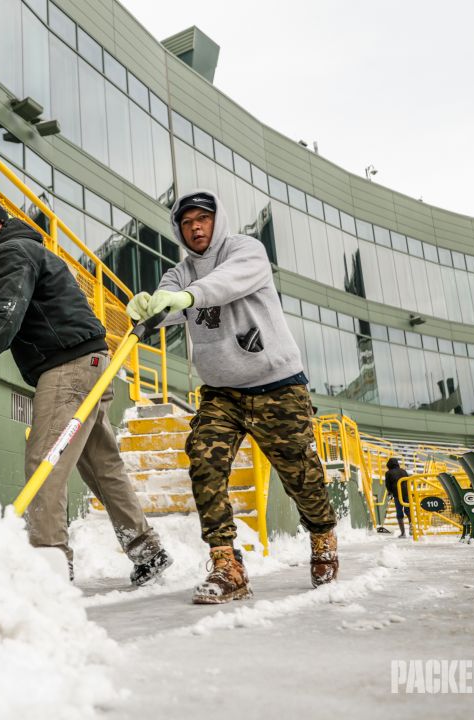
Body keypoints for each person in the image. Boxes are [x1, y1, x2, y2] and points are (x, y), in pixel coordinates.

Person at [0, 192, 172, 585]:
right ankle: (147, 550)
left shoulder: (11, 253)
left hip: (67, 369)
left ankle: (47, 561)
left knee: (44, 461)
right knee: (103, 467)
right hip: (94, 365)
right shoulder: (28, 250)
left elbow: (3, 314)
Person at [126, 188, 339, 604]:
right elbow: (166, 305)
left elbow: (221, 286)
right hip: (222, 393)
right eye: (186, 222)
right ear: (179, 229)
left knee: (301, 475)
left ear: (216, 219)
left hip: (278, 383)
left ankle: (323, 536)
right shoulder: (178, 274)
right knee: (204, 460)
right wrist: (146, 306)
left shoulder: (247, 251)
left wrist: (187, 298)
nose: (195, 227)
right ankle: (228, 566)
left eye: (201, 219)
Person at [383, 457, 412, 537]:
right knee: (408, 511)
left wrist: (390, 493)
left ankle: (403, 533)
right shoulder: (403, 471)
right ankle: (412, 528)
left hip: (397, 494)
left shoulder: (388, 473)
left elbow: (388, 485)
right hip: (407, 493)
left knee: (399, 514)